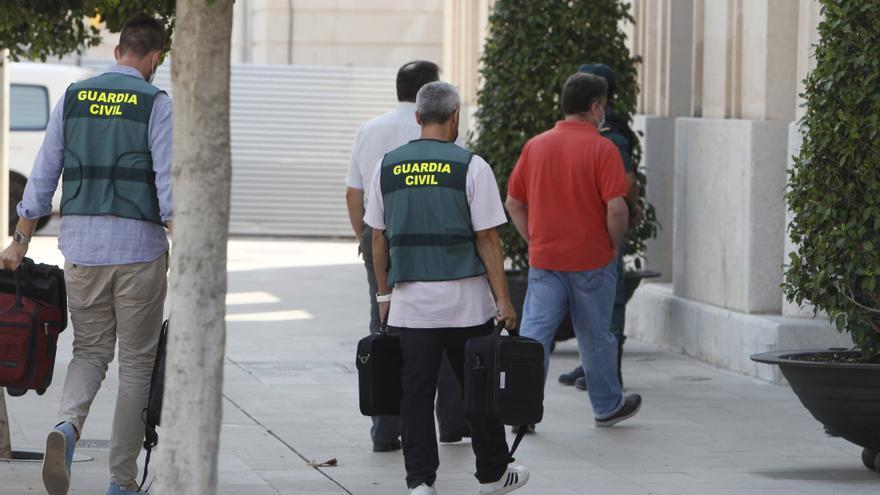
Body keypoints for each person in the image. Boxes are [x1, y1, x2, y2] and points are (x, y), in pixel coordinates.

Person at [0, 14, 172, 495]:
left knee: (90, 352)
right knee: (137, 363)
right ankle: (121, 482)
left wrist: (20, 238)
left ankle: (66, 427)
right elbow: (167, 182)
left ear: (118, 51)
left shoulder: (74, 97)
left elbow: (43, 171)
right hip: (139, 251)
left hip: (81, 249)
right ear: (154, 58)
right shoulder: (156, 103)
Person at [365, 81, 529, 495]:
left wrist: (384, 296)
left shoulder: (387, 165)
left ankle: (420, 482)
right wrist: (504, 301)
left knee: (415, 395)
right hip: (466, 306)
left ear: (418, 118)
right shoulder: (471, 166)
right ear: (455, 116)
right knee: (478, 391)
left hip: (410, 307)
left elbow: (378, 238)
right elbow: (488, 238)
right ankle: (493, 473)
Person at [345, 61, 469, 452]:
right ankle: (451, 424)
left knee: (385, 327)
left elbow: (353, 192)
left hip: (380, 236)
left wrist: (366, 237)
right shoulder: (446, 132)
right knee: (447, 321)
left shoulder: (369, 130)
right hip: (435, 240)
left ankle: (386, 430)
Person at [506, 73, 642, 428]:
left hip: (545, 260)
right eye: (604, 106)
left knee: (535, 338)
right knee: (596, 336)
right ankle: (607, 406)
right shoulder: (603, 149)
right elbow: (616, 207)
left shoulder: (536, 146)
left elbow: (513, 202)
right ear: (595, 107)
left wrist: (533, 238)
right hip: (592, 260)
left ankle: (522, 412)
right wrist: (612, 244)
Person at [558, 63, 642, 391]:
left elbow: (627, 180)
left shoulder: (611, 134)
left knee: (609, 303)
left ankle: (611, 372)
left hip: (604, 231)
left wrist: (627, 211)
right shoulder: (595, 131)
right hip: (589, 230)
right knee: (590, 305)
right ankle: (590, 366)